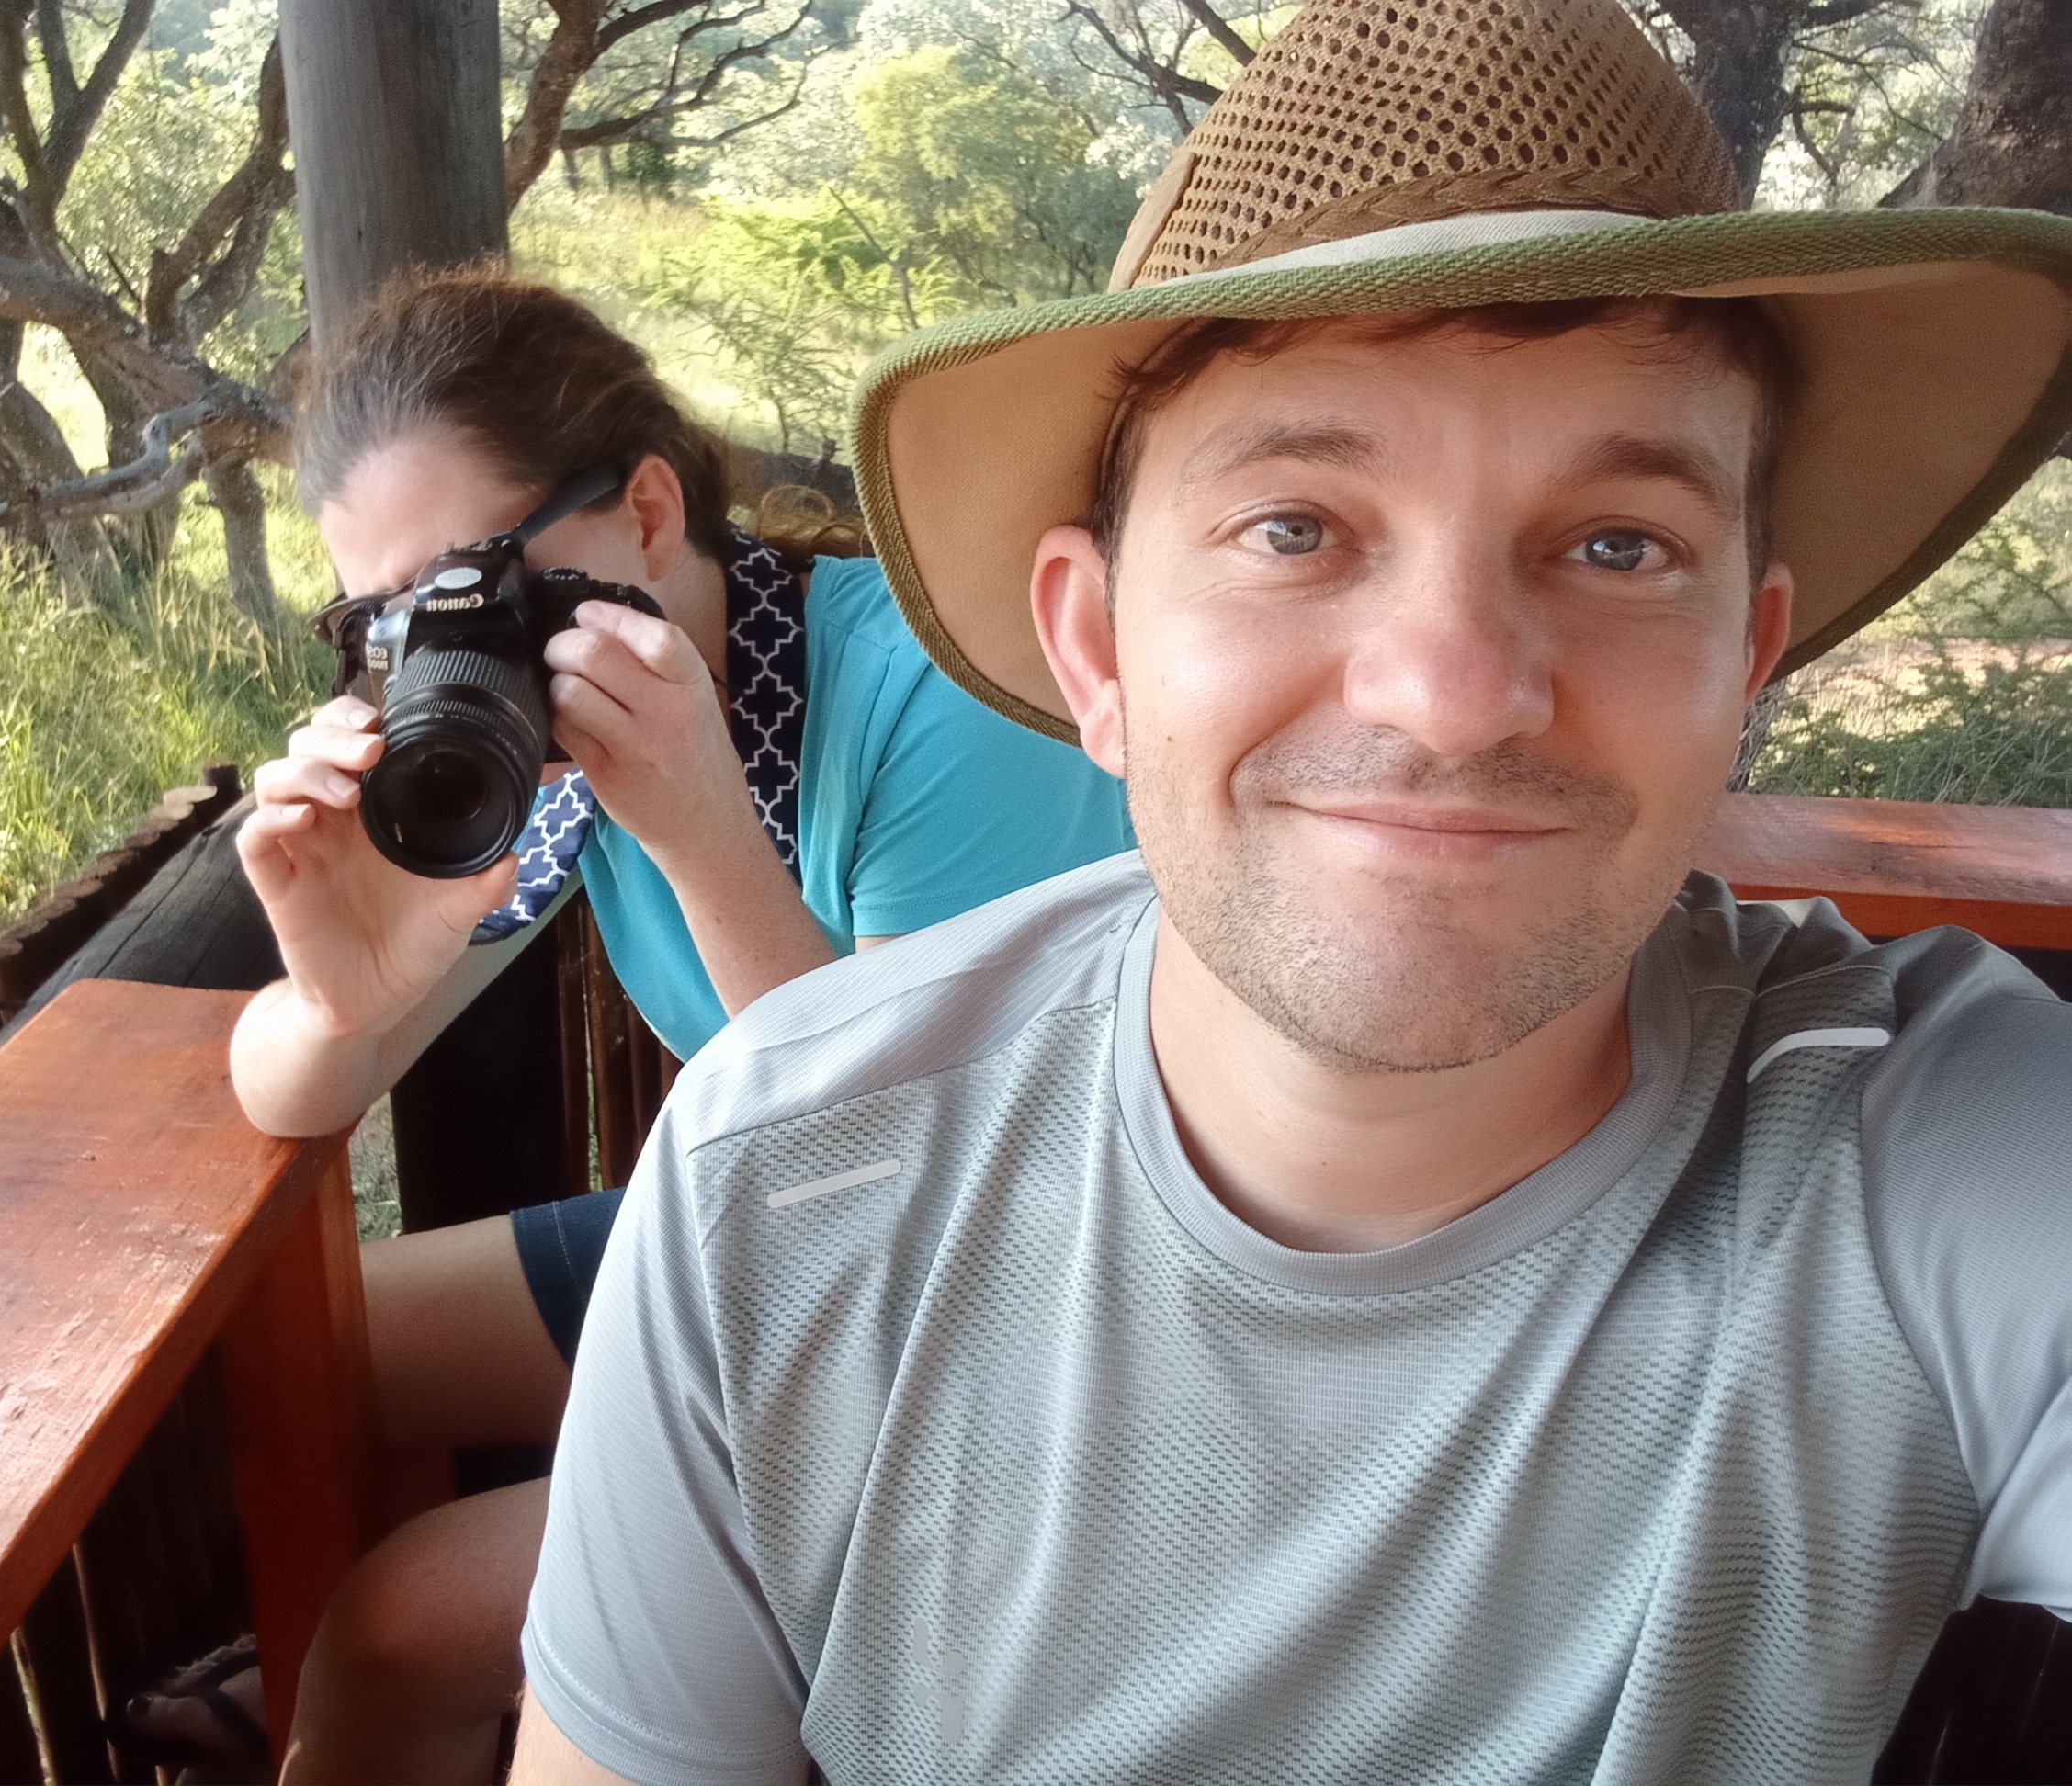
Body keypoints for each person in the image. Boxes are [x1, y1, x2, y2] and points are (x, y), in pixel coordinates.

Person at [508, 2, 2072, 1781]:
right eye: (1298, 529)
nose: (1456, 687)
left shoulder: (1940, 1157)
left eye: (1618, 545)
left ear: (1748, 656)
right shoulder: (771, 1204)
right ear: (1095, 647)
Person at [216, 264, 1135, 1780]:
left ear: (647, 515)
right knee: (303, 1347)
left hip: (993, 1325)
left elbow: (923, 1190)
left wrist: (704, 828)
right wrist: (341, 994)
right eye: (388, 621)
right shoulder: (541, 755)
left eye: (476, 585)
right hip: (768, 1251)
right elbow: (293, 1092)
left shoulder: (930, 697)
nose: (452, 647)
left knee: (396, 1625)